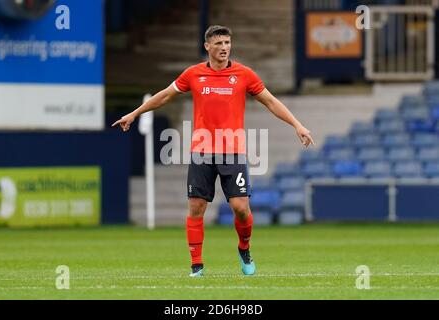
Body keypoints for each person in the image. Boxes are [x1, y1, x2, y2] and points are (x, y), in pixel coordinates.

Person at [112, 25, 314, 277]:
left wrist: (298, 125)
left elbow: (271, 101)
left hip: (233, 151)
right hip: (202, 151)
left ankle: (244, 249)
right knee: (196, 207)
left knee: (241, 208)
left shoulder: (244, 74)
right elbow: (165, 96)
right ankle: (196, 266)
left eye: (227, 43)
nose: (224, 48)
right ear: (207, 46)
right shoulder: (193, 74)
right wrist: (134, 113)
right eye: (218, 43)